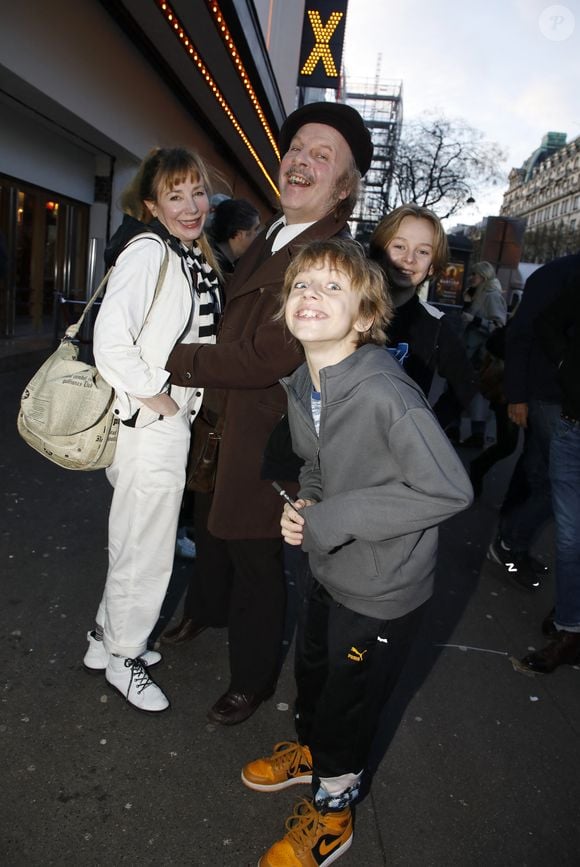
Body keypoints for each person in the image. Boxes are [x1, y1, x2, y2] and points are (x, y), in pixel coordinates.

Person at [241, 239, 472, 866]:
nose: (310, 294)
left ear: (366, 316)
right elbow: (316, 462)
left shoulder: (383, 393)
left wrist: (333, 518)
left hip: (382, 586)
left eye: (332, 286)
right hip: (331, 569)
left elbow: (449, 488)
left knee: (350, 701)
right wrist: (309, 505)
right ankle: (313, 754)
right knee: (315, 675)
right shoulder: (306, 381)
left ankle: (334, 812)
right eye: (301, 284)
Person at [163, 101, 374, 726]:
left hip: (269, 431)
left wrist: (171, 359)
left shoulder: (330, 255)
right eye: (297, 148)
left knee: (255, 557)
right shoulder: (276, 231)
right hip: (224, 415)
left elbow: (265, 357)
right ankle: (206, 609)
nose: (301, 160)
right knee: (211, 525)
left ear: (343, 186)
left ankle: (250, 680)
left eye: (321, 155)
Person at [84, 147, 221, 712]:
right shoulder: (149, 251)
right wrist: (158, 398)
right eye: (175, 195)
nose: (191, 206)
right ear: (152, 205)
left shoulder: (185, 253)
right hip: (152, 423)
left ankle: (103, 641)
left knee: (134, 540)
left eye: (197, 192)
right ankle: (125, 658)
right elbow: (110, 341)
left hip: (158, 422)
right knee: (148, 550)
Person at [486, 254, 580, 592]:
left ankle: (513, 546)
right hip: (549, 397)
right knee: (560, 484)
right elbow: (522, 335)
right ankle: (510, 543)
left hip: (557, 398)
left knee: (541, 476)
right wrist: (517, 396)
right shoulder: (556, 275)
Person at [368, 204, 478, 432]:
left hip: (396, 448)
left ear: (432, 267)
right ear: (380, 251)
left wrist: (427, 429)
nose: (409, 259)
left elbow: (465, 384)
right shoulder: (346, 308)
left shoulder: (435, 325)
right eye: (399, 246)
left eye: (423, 252)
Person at [518, 281, 580, 673]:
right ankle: (571, 625)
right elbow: (546, 322)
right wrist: (566, 364)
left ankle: (570, 623)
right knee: (570, 538)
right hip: (572, 427)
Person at [459, 261, 507, 447]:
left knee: (476, 396)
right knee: (459, 390)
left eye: (475, 274)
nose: (471, 277)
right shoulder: (475, 294)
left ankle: (477, 434)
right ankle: (457, 430)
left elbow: (499, 326)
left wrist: (476, 321)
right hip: (470, 352)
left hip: (481, 355)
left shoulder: (492, 296)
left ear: (484, 276)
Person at [207, 197, 261, 276]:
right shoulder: (216, 269)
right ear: (239, 234)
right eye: (256, 229)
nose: (258, 234)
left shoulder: (211, 254)